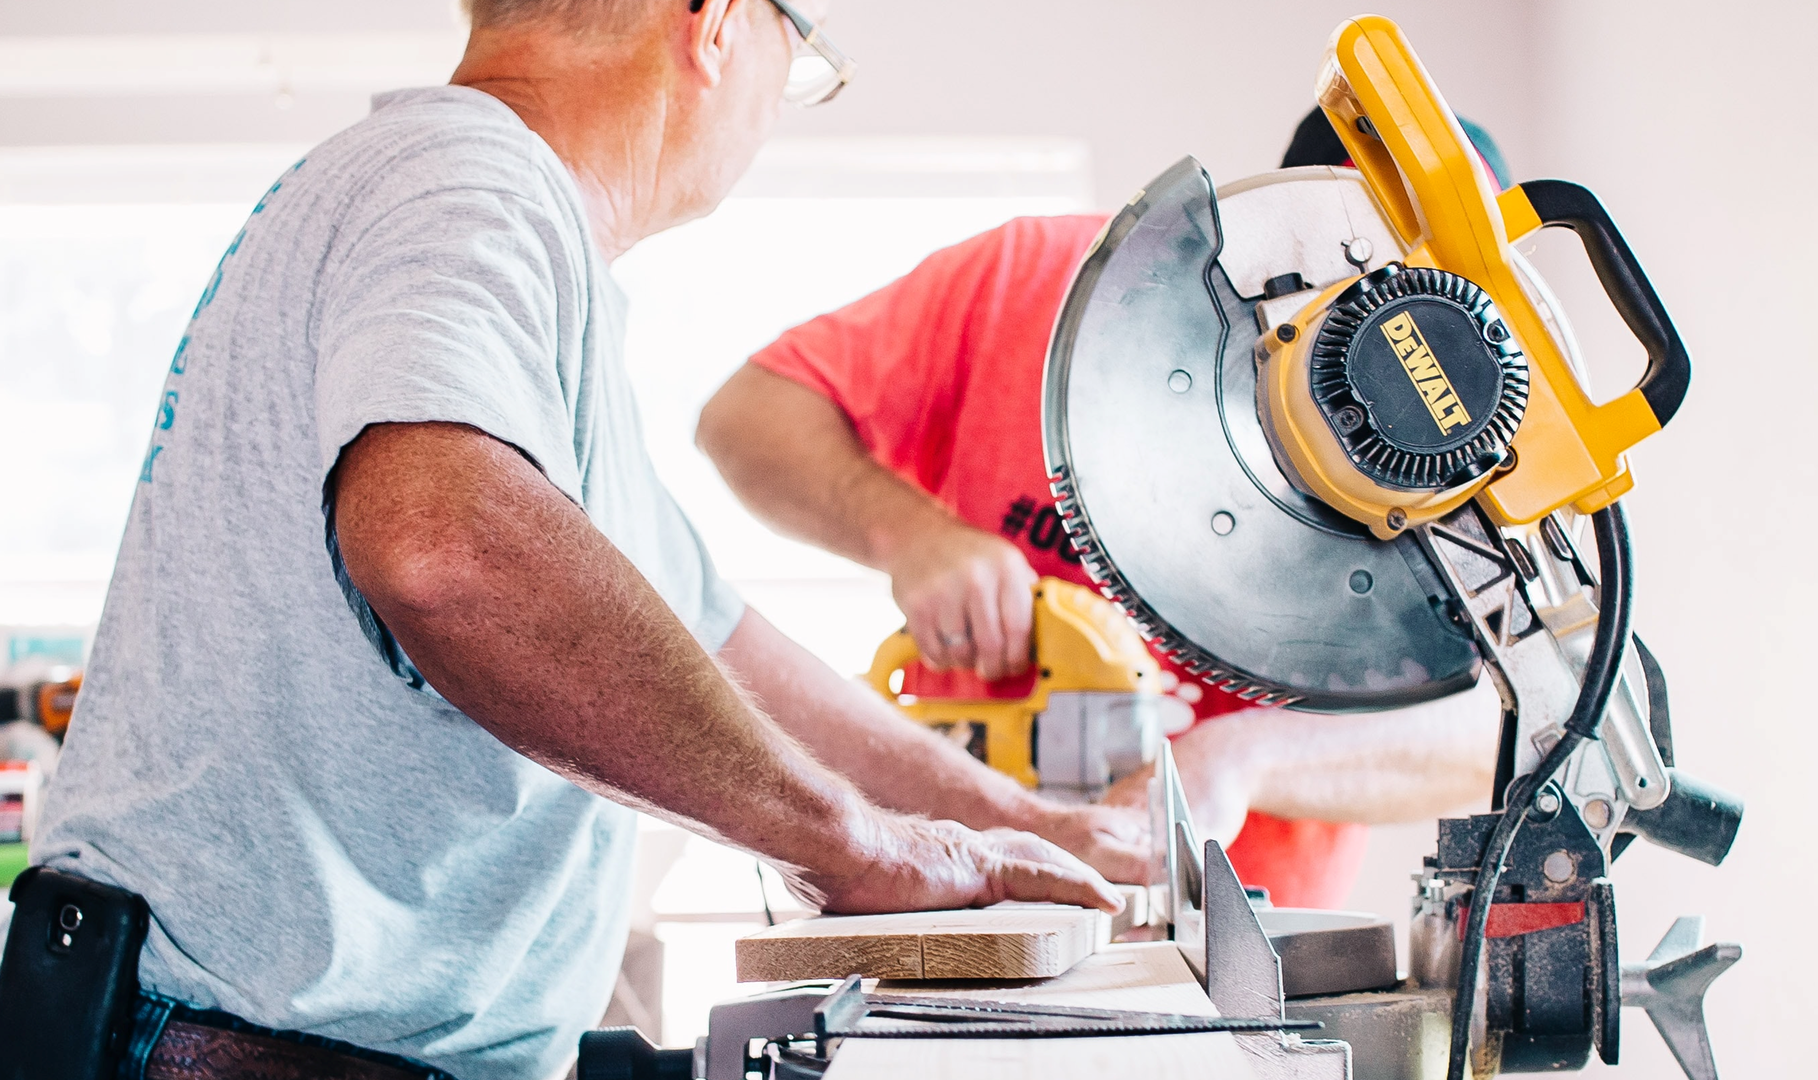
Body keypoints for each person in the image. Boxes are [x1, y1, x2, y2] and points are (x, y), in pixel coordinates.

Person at [25, 3, 1149, 1078]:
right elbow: (444, 548)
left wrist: (1018, 826)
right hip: (241, 1045)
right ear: (714, 22)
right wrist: (851, 844)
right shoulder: (470, 178)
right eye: (796, 48)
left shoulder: (486, 230)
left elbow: (722, 643)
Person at [697, 109, 1512, 909]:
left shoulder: (1469, 464)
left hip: (1239, 944)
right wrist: (908, 534)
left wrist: (1243, 756)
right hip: (956, 886)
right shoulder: (1034, 279)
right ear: (1274, 213)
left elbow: (1502, 730)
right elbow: (746, 417)